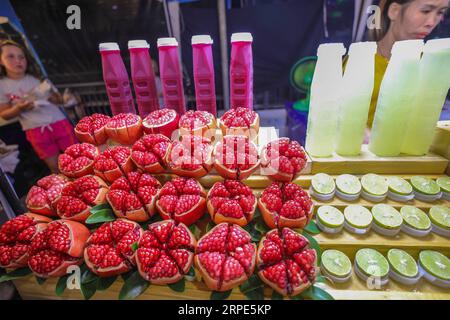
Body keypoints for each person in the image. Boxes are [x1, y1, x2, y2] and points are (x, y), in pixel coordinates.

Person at [366, 0, 449, 128]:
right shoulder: (359, 62)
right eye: (425, 11)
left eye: (440, 13)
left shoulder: (430, 66)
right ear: (394, 11)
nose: (431, 23)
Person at [0, 40, 77, 173]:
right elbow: (4, 114)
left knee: (77, 158)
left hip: (59, 122)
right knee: (56, 167)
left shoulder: (37, 77)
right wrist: (19, 108)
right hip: (34, 130)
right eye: (10, 56)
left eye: (21, 57)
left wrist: (57, 98)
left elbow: (59, 99)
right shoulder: (2, 85)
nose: (18, 61)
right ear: (1, 61)